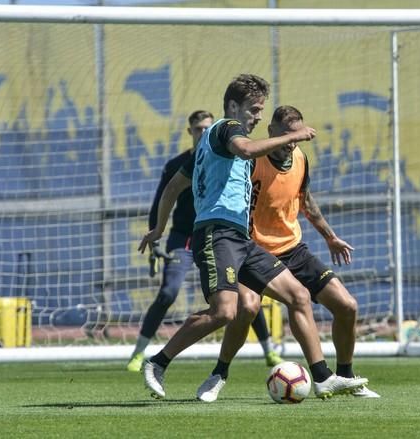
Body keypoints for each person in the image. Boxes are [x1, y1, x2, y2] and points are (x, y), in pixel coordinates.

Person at [138, 73, 367, 400]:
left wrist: (158, 228)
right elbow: (246, 151)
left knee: (299, 295)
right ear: (233, 106)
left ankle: (323, 377)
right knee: (226, 312)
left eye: (261, 109)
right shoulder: (228, 129)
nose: (258, 116)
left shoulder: (207, 144)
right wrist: (297, 135)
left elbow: (174, 187)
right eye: (254, 109)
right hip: (216, 234)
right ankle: (157, 361)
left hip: (241, 238)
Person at [195, 105, 380, 402]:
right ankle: (219, 374)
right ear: (271, 133)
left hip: (293, 249)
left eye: (296, 137)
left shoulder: (300, 160)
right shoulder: (251, 161)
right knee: (246, 308)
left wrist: (330, 238)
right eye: (285, 136)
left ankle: (345, 377)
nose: (291, 142)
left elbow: (306, 202)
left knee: (347, 306)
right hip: (250, 250)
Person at [127, 110, 283, 373]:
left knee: (247, 295)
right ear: (190, 132)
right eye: (198, 129)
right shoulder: (180, 163)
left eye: (207, 128)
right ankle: (139, 353)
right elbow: (165, 196)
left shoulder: (226, 156)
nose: (203, 133)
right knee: (169, 292)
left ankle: (269, 351)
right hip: (184, 237)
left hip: (223, 236)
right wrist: (156, 232)